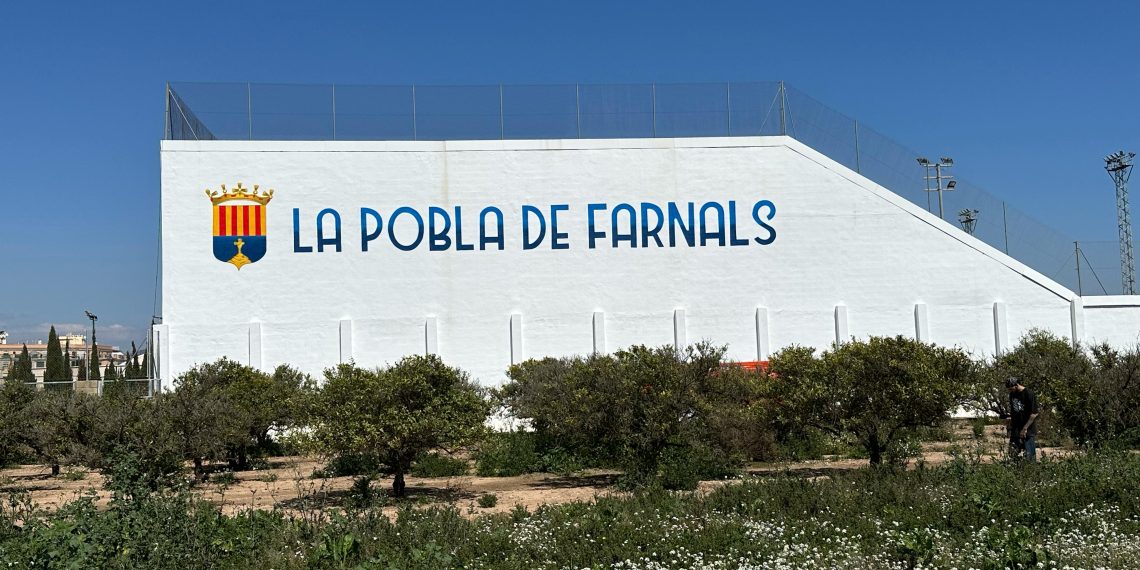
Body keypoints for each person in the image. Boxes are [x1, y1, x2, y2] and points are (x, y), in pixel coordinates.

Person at [1006, 376, 1040, 461]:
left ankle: (1030, 471)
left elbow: (1034, 413)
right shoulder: (1012, 395)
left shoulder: (1029, 393)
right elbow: (1014, 411)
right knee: (1013, 452)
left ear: (1016, 385)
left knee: (1029, 455)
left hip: (1028, 428)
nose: (1010, 391)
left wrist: (1025, 428)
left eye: (1011, 388)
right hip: (1016, 428)